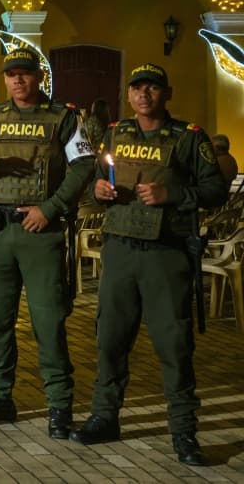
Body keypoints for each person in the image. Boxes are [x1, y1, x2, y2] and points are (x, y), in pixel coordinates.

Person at [70, 63, 228, 466]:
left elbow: (215, 189)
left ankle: (184, 432)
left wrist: (171, 194)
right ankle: (105, 417)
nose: (144, 95)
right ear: (129, 95)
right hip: (120, 248)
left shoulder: (189, 137)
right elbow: (96, 180)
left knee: (174, 344)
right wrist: (99, 190)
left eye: (152, 88)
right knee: (110, 338)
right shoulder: (115, 133)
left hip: (165, 252)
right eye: (137, 88)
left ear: (166, 93)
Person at [0, 48, 94, 439]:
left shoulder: (63, 117)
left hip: (40, 232)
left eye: (25, 73)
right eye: (11, 74)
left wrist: (50, 208)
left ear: (38, 77)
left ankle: (60, 406)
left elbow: (83, 165)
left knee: (49, 322)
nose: (17, 80)